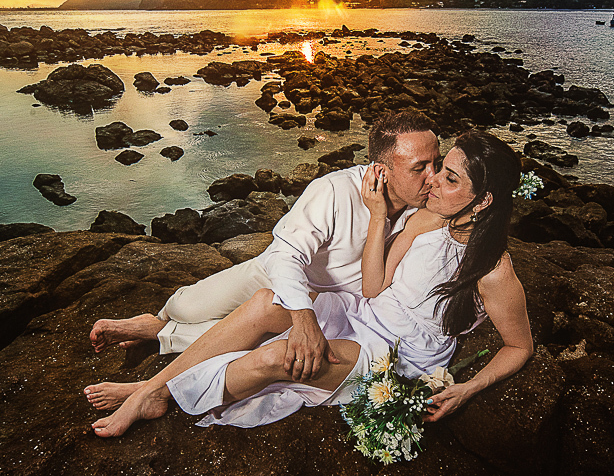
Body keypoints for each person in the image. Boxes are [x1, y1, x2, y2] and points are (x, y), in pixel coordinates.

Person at [91, 130, 534, 438]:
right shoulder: (426, 219)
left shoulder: (494, 271)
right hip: (363, 311)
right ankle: (153, 390)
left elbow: (519, 346)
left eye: (449, 176)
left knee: (284, 357)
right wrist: (380, 217)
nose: (433, 179)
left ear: (484, 200)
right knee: (267, 302)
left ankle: (155, 392)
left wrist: (467, 388)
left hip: (399, 354)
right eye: (437, 168)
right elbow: (374, 287)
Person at [86, 110, 440, 394]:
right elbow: (286, 255)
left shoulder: (426, 205)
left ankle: (158, 335)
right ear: (381, 170)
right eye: (419, 167)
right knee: (186, 307)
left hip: (337, 303)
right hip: (277, 271)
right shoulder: (334, 191)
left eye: (436, 163)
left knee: (249, 340)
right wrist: (303, 318)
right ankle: (159, 320)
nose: (433, 176)